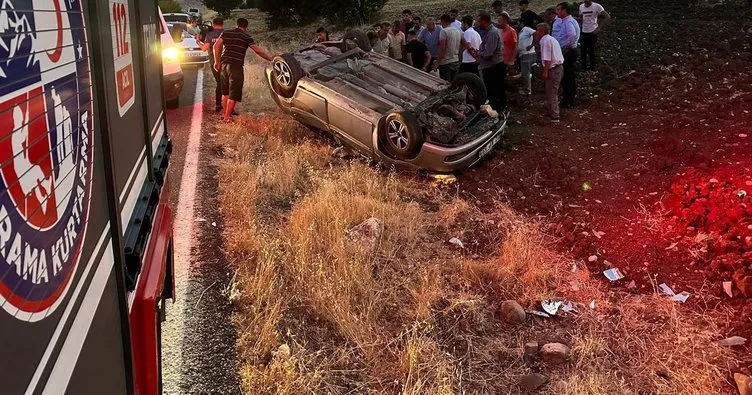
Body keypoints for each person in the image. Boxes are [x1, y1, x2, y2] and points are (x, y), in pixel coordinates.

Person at [213, 18, 275, 122]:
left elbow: (216, 46)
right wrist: (270, 58)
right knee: (234, 92)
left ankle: (224, 114)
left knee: (225, 92)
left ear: (236, 24)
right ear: (246, 27)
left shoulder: (226, 33)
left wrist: (217, 62)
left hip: (224, 65)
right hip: (236, 66)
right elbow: (257, 51)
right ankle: (227, 117)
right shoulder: (246, 36)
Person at [474, 12, 506, 110]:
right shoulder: (488, 32)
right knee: (495, 90)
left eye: (478, 22)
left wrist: (479, 53)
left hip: (493, 67)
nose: (477, 24)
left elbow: (488, 53)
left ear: (484, 21)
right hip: (491, 66)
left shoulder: (492, 33)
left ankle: (499, 110)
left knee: (495, 91)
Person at [552, 2, 580, 108]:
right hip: (566, 50)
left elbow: (572, 35)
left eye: (559, 10)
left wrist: (566, 46)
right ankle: (566, 98)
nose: (557, 12)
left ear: (564, 11)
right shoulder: (565, 21)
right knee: (565, 76)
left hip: (568, 51)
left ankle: (569, 100)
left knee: (568, 76)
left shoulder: (568, 22)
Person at [535, 22, 564, 122]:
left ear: (542, 31)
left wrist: (545, 71)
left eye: (537, 31)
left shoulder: (545, 41)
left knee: (552, 93)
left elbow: (547, 58)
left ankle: (555, 116)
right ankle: (551, 112)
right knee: (550, 92)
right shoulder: (551, 39)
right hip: (558, 68)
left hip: (553, 69)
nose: (536, 33)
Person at [198, 17, 224, 112]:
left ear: (213, 24)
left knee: (219, 83)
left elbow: (204, 48)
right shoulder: (226, 33)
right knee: (227, 83)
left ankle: (218, 104)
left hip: (214, 63)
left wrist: (198, 41)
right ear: (222, 24)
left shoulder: (209, 35)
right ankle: (228, 106)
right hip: (226, 62)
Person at [578, 0, 610, 71]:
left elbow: (607, 16)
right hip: (584, 31)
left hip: (592, 32)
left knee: (591, 51)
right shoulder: (581, 6)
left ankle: (593, 68)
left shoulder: (597, 6)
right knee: (582, 51)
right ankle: (584, 68)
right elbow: (581, 18)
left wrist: (599, 27)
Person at [434, 14, 466, 81]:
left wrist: (437, 63)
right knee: (454, 83)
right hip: (455, 60)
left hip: (446, 63)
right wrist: (458, 52)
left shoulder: (444, 31)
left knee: (446, 84)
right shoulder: (458, 31)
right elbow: (465, 44)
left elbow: (442, 48)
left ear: (443, 21)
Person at [517, 22, 536, 95]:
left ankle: (528, 90)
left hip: (528, 54)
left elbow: (535, 33)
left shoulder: (527, 29)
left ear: (522, 23)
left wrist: (531, 45)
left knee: (525, 72)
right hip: (522, 54)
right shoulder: (520, 32)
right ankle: (528, 87)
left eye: (518, 23)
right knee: (525, 72)